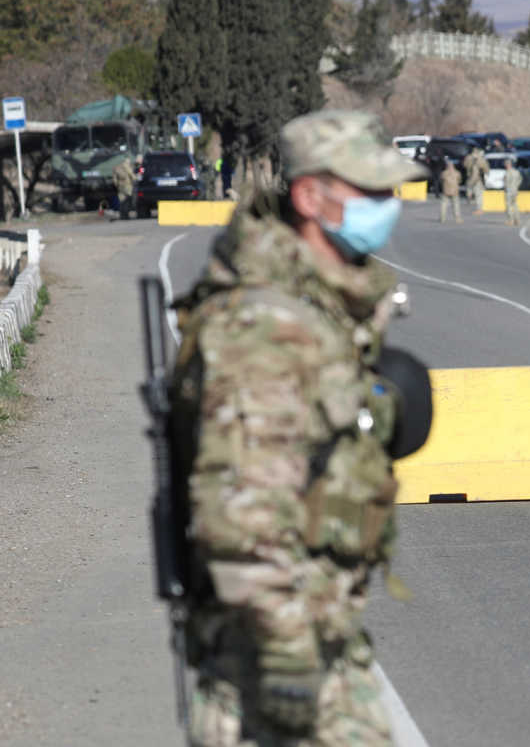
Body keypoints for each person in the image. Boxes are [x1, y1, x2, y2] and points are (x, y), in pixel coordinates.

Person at [170, 110, 425, 747]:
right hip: (271, 662)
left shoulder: (319, 304)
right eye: (370, 192)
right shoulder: (268, 327)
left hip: (320, 641)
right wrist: (288, 664)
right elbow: (242, 515)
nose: (386, 206)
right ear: (311, 197)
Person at [112, 154, 136, 219]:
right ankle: (126, 214)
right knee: (128, 200)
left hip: (120, 186)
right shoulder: (127, 166)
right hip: (127, 185)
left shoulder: (116, 167)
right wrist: (135, 181)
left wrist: (117, 185)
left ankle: (122, 215)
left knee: (121, 201)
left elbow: (114, 179)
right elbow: (132, 175)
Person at [464, 146, 487, 214]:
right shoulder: (481, 159)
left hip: (471, 178)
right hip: (478, 179)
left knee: (471, 191)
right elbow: (486, 169)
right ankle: (479, 209)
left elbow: (465, 165)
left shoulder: (468, 157)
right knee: (479, 194)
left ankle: (471, 200)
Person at [503, 157, 522, 226]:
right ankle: (517, 220)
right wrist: (516, 187)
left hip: (509, 191)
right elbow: (520, 180)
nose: (505, 165)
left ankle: (510, 220)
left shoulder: (508, 172)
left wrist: (506, 188)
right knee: (515, 205)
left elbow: (507, 182)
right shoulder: (516, 172)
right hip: (515, 191)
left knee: (509, 206)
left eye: (506, 164)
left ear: (508, 165)